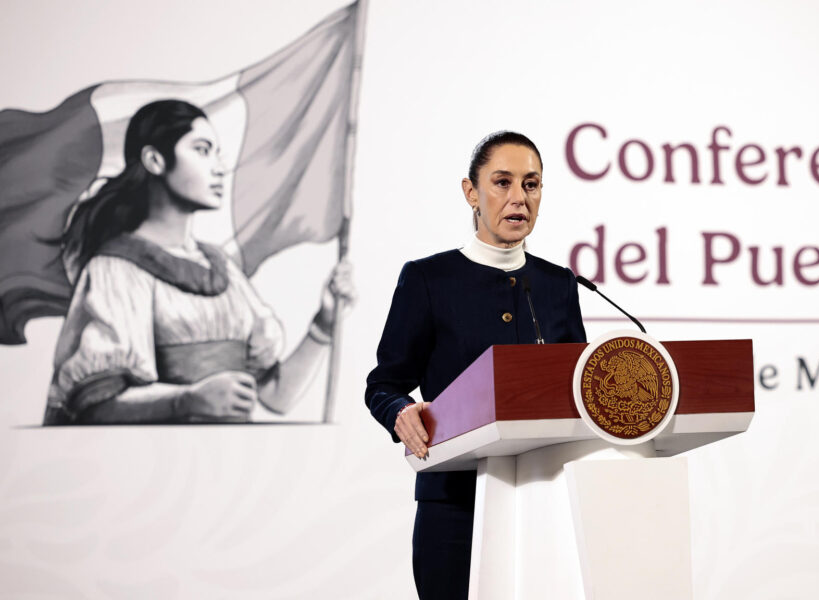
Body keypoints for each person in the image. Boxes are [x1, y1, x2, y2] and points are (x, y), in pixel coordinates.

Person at [365, 131, 586, 598]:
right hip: (453, 503)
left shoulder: (558, 285)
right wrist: (400, 412)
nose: (518, 198)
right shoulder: (429, 279)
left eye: (531, 184)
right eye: (502, 182)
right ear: (471, 192)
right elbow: (384, 383)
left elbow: (579, 389)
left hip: (543, 500)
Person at [44, 99, 351, 425]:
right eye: (202, 150)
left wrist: (324, 324)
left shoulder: (223, 269)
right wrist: (186, 401)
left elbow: (276, 396)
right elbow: (95, 406)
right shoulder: (115, 269)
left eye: (217, 152)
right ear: (155, 160)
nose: (219, 167)